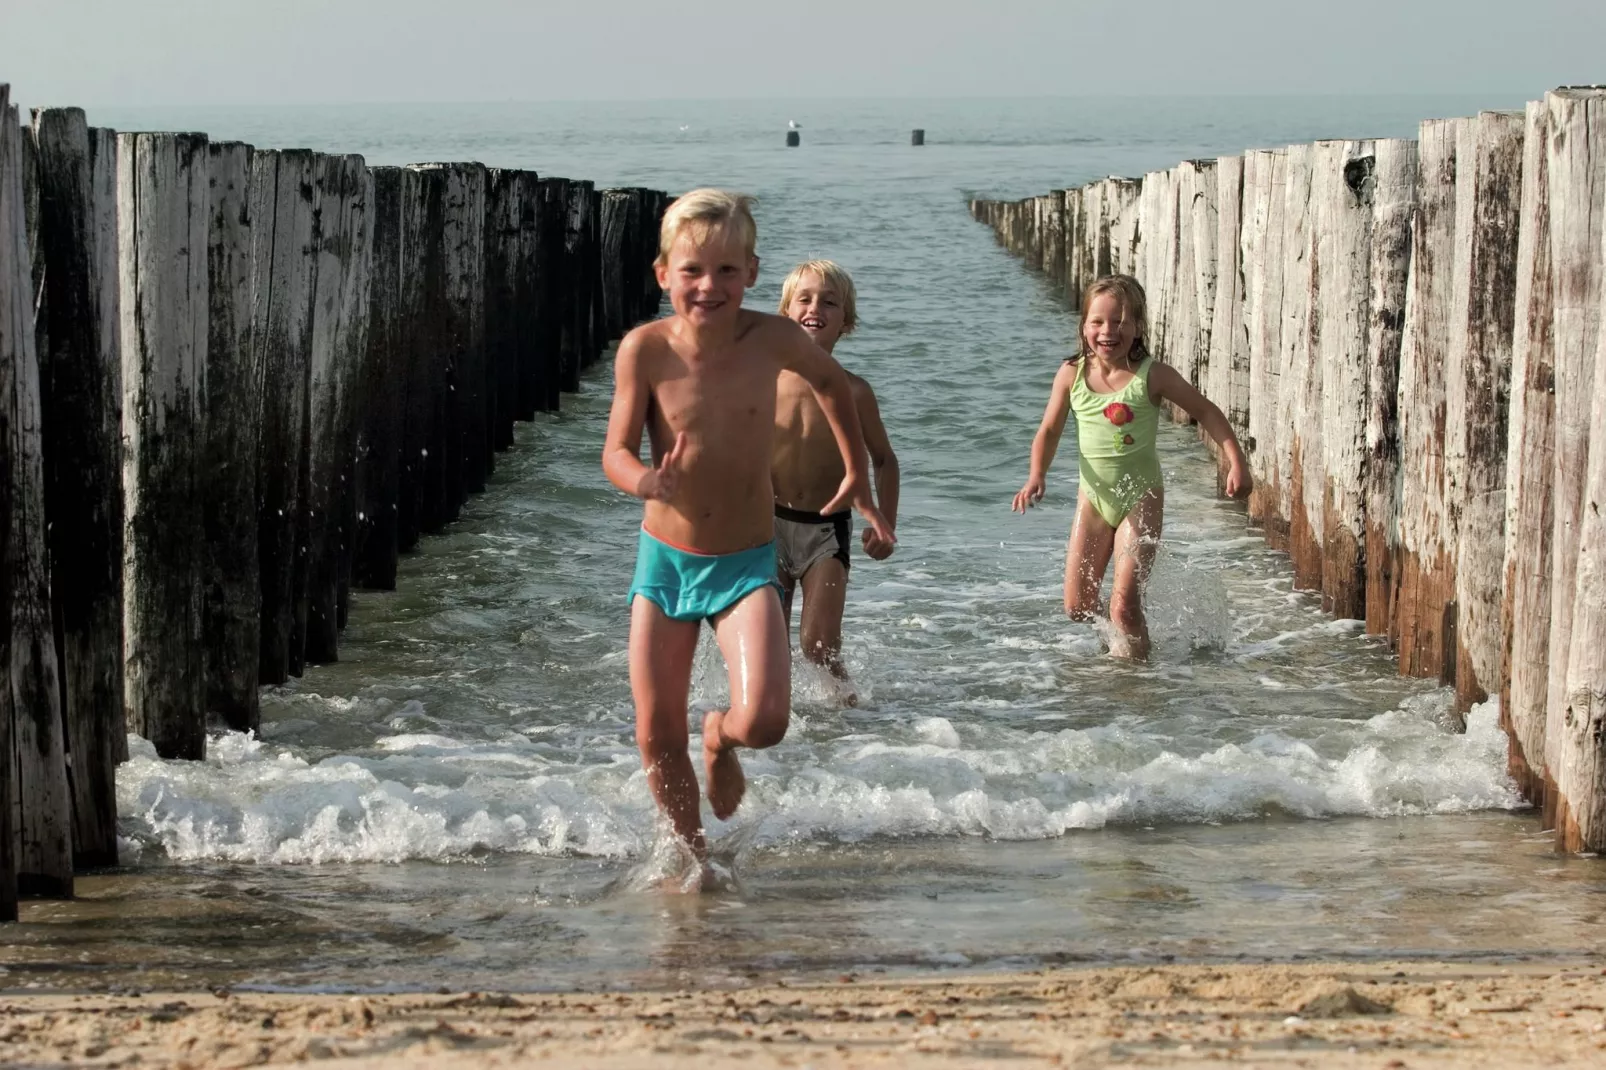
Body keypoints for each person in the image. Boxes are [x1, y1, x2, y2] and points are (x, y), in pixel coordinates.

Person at [601, 190, 894, 865]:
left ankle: (721, 739)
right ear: (662, 274)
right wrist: (643, 479)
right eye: (693, 270)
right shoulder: (644, 350)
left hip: (743, 564)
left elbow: (832, 384)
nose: (710, 286)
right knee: (654, 732)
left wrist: (856, 471)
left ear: (754, 272)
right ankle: (691, 855)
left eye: (728, 271)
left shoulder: (775, 339)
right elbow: (615, 449)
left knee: (764, 720)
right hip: (666, 561)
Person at [1011, 274, 1249, 660]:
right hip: (1093, 501)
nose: (1108, 331)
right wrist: (1037, 474)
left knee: (1123, 604)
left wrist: (1235, 461)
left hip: (1141, 498)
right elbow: (1049, 430)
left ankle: (1138, 680)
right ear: (1084, 325)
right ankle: (1122, 640)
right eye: (1098, 321)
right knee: (1077, 608)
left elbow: (1205, 410)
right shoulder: (1071, 374)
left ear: (1138, 327)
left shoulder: (1152, 376)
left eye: (1120, 321)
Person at [772, 260, 899, 692]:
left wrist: (885, 523)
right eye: (804, 299)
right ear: (785, 312)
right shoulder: (762, 380)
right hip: (764, 525)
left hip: (825, 531)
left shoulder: (855, 391)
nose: (815, 308)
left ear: (846, 322)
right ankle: (773, 729)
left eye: (830, 302)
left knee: (818, 645)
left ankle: (849, 720)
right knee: (767, 644)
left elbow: (884, 460)